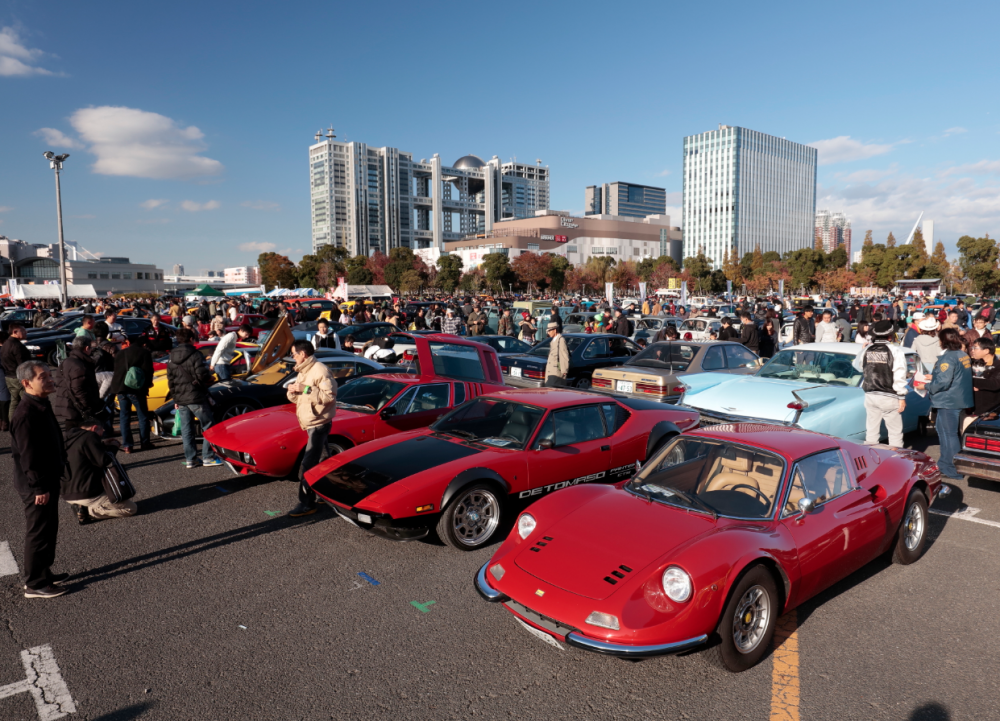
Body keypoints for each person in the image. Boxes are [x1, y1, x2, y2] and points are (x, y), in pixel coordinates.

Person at [11, 360, 68, 598]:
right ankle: (35, 583)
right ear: (27, 383)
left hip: (47, 478)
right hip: (37, 484)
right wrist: (39, 487)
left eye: (49, 375)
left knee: (48, 528)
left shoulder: (41, 404)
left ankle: (43, 571)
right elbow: (28, 456)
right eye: (43, 377)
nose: (50, 379)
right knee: (38, 531)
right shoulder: (26, 413)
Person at [286, 340, 337, 517]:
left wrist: (305, 388)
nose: (293, 358)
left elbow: (329, 396)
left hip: (318, 423)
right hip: (311, 421)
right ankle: (328, 494)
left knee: (308, 464)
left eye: (294, 354)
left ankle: (307, 503)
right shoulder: (304, 370)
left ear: (303, 354)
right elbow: (302, 396)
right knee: (324, 461)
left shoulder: (320, 370)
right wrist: (293, 391)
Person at [919, 327, 974, 480]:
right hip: (958, 399)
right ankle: (945, 464)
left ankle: (952, 469)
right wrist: (934, 376)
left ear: (943, 341)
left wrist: (925, 386)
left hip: (948, 400)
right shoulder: (963, 355)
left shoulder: (948, 358)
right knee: (948, 434)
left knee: (948, 435)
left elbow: (943, 382)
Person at [62, 416, 137, 524]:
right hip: (85, 493)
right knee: (130, 508)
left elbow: (82, 451)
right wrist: (114, 447)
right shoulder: (90, 436)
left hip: (67, 493)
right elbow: (103, 461)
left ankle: (84, 507)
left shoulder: (68, 436)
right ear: (94, 428)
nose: (102, 434)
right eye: (102, 431)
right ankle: (87, 511)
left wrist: (102, 444)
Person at [167, 328, 223, 469]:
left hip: (181, 397)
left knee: (187, 429)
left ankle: (191, 459)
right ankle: (208, 457)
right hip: (196, 396)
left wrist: (175, 399)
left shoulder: (171, 356)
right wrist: (210, 377)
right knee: (209, 425)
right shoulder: (195, 354)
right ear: (191, 339)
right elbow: (202, 375)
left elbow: (171, 381)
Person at [852, 321, 908, 448]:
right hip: (889, 395)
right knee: (895, 434)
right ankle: (895, 460)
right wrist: (902, 397)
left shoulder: (867, 349)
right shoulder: (895, 351)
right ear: (890, 336)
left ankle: (871, 461)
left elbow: (858, 366)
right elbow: (899, 375)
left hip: (870, 394)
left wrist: (861, 352)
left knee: (871, 433)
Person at [109, 335, 155, 453]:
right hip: (136, 389)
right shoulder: (144, 353)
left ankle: (127, 445)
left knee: (124, 417)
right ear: (143, 344)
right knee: (142, 416)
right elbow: (148, 371)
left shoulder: (120, 353)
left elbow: (116, 371)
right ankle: (145, 442)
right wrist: (148, 385)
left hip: (120, 388)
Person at [51, 336, 103, 431]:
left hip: (69, 405)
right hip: (78, 408)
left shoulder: (68, 361)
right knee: (82, 435)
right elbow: (78, 389)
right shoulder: (79, 365)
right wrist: (87, 406)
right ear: (86, 348)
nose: (92, 350)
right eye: (91, 348)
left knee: (71, 435)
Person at [967, 336, 1000, 431]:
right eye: (972, 348)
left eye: (975, 348)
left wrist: (970, 381)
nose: (972, 350)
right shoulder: (971, 363)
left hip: (989, 412)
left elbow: (995, 384)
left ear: (986, 351)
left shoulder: (998, 365)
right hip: (970, 409)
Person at [3, 323, 31, 423]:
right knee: (28, 401)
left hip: (9, 376)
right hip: (19, 378)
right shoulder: (17, 346)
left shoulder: (6, 344)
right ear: (15, 332)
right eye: (23, 331)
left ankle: (13, 423)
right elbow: (23, 365)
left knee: (14, 402)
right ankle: (26, 423)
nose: (25, 332)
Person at [543, 322, 570, 387]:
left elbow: (564, 355)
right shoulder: (553, 340)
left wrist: (564, 370)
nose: (548, 333)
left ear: (554, 330)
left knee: (555, 391)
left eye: (549, 331)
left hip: (557, 372)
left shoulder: (560, 340)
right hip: (551, 371)